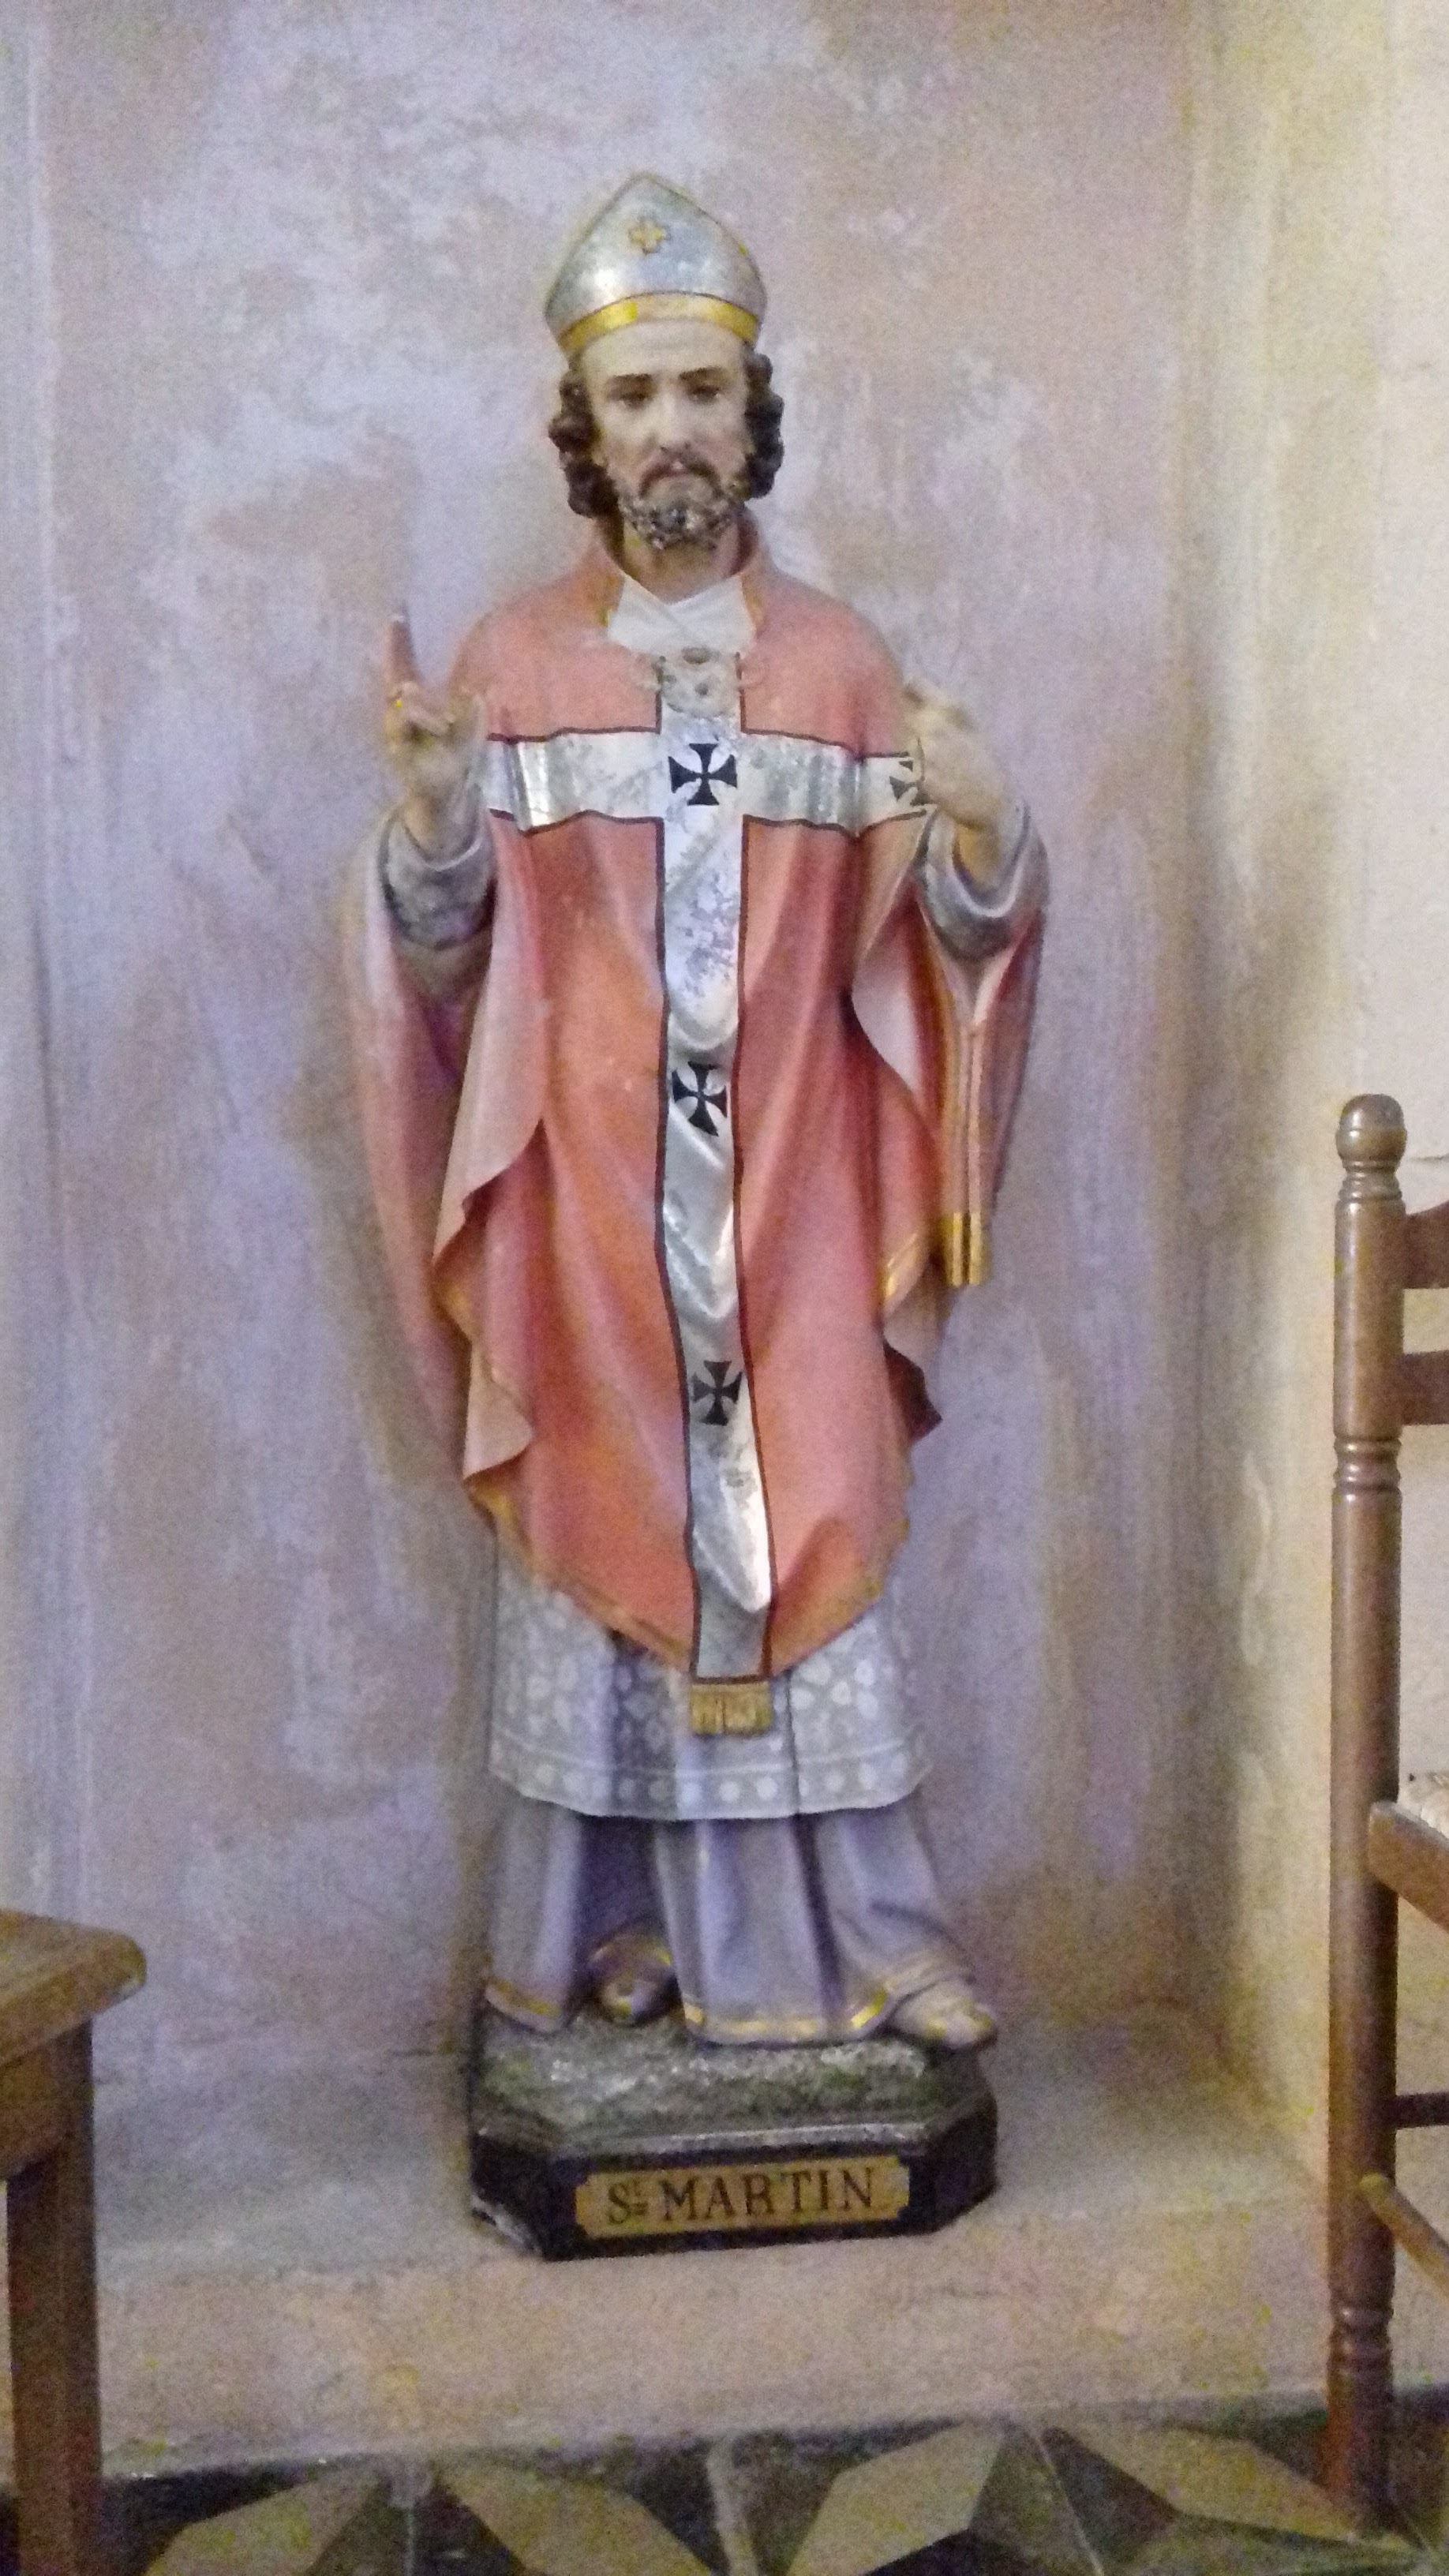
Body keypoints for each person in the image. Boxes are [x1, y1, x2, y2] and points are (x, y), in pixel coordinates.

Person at [349, 177, 1046, 2050]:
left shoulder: (840, 664)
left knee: (820, 1521)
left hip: (801, 1189)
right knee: (606, 1539)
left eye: (705, 391)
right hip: (583, 1205)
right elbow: (441, 974)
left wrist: (986, 835)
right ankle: (617, 1930)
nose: (672, 429)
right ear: (585, 426)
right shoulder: (510, 665)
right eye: (637, 394)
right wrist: (435, 826)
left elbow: (939, 946)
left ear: (754, 413)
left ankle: (882, 1937)